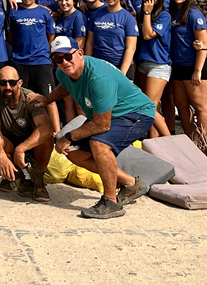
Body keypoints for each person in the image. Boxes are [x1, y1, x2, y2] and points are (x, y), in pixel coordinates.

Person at [30, 38, 155, 219]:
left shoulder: (99, 78)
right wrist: (47, 99)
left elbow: (102, 124)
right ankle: (131, 184)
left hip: (136, 113)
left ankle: (111, 202)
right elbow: (66, 85)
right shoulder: (63, 72)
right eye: (58, 59)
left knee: (98, 144)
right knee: (71, 152)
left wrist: (68, 136)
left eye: (67, 56)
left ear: (80, 53)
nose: (64, 62)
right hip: (109, 115)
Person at [0, 65, 54, 202]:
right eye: (3, 83)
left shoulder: (30, 98)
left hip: (30, 142)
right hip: (9, 141)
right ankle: (10, 176)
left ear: (20, 83)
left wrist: (21, 148)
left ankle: (37, 180)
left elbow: (45, 127)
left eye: (12, 82)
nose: (8, 87)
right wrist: (1, 155)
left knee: (47, 138)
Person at [6, 0, 58, 120]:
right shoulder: (13, 12)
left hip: (41, 61)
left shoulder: (44, 12)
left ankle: (56, 132)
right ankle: (24, 128)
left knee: (48, 97)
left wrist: (45, 49)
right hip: (19, 61)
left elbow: (51, 34)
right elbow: (9, 37)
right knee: (19, 98)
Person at [169, 0, 207, 139]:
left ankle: (204, 144)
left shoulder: (194, 14)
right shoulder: (172, 12)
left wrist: (197, 71)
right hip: (177, 66)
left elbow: (203, 45)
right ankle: (191, 139)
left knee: (200, 106)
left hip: (194, 66)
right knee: (180, 104)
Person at [134, 0, 173, 137]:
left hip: (159, 64)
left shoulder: (164, 15)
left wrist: (147, 13)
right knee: (150, 107)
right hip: (143, 63)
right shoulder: (141, 13)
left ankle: (167, 141)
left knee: (149, 106)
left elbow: (148, 34)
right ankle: (153, 143)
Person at [86, 0, 138, 78]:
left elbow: (131, 48)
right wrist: (88, 64)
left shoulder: (129, 18)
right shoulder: (96, 15)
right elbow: (90, 42)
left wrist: (122, 74)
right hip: (99, 66)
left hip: (121, 66)